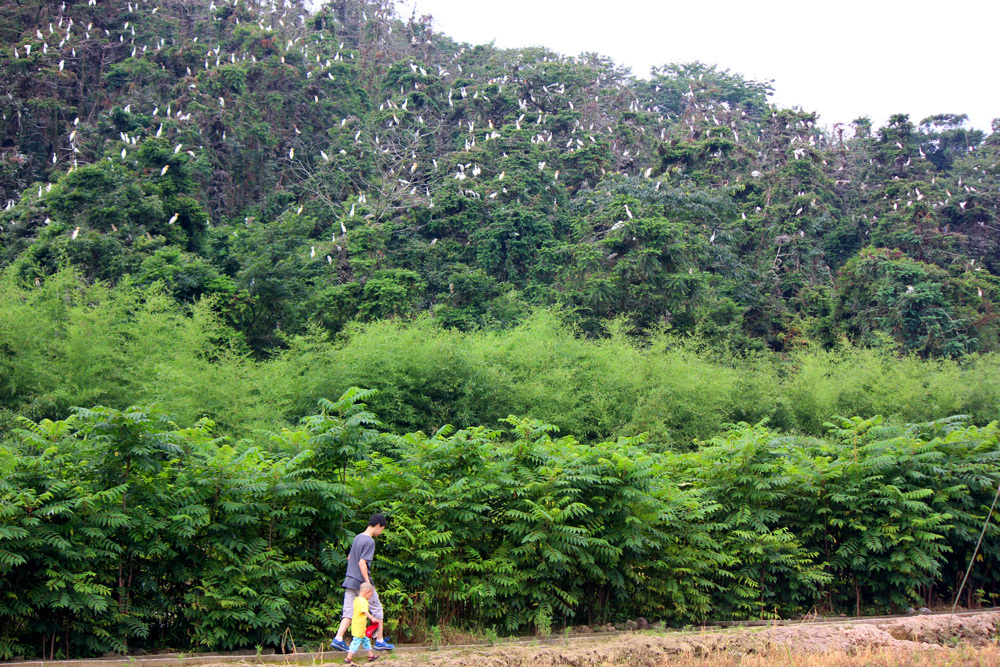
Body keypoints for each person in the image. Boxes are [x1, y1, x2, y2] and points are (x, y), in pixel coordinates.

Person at [331, 514, 395, 651]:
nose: (381, 532)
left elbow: (350, 558)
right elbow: (362, 562)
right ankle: (379, 640)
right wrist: (368, 584)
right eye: (382, 529)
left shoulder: (357, 537)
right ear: (378, 526)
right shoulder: (369, 541)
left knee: (348, 611)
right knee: (377, 609)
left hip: (349, 580)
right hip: (361, 584)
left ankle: (338, 639)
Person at [344, 583, 379, 664]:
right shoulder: (363, 600)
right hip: (359, 625)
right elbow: (364, 611)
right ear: (367, 592)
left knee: (365, 640)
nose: (370, 597)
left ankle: (370, 656)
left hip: (358, 624)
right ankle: (348, 658)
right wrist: (372, 618)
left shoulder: (356, 599)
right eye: (370, 595)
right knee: (356, 641)